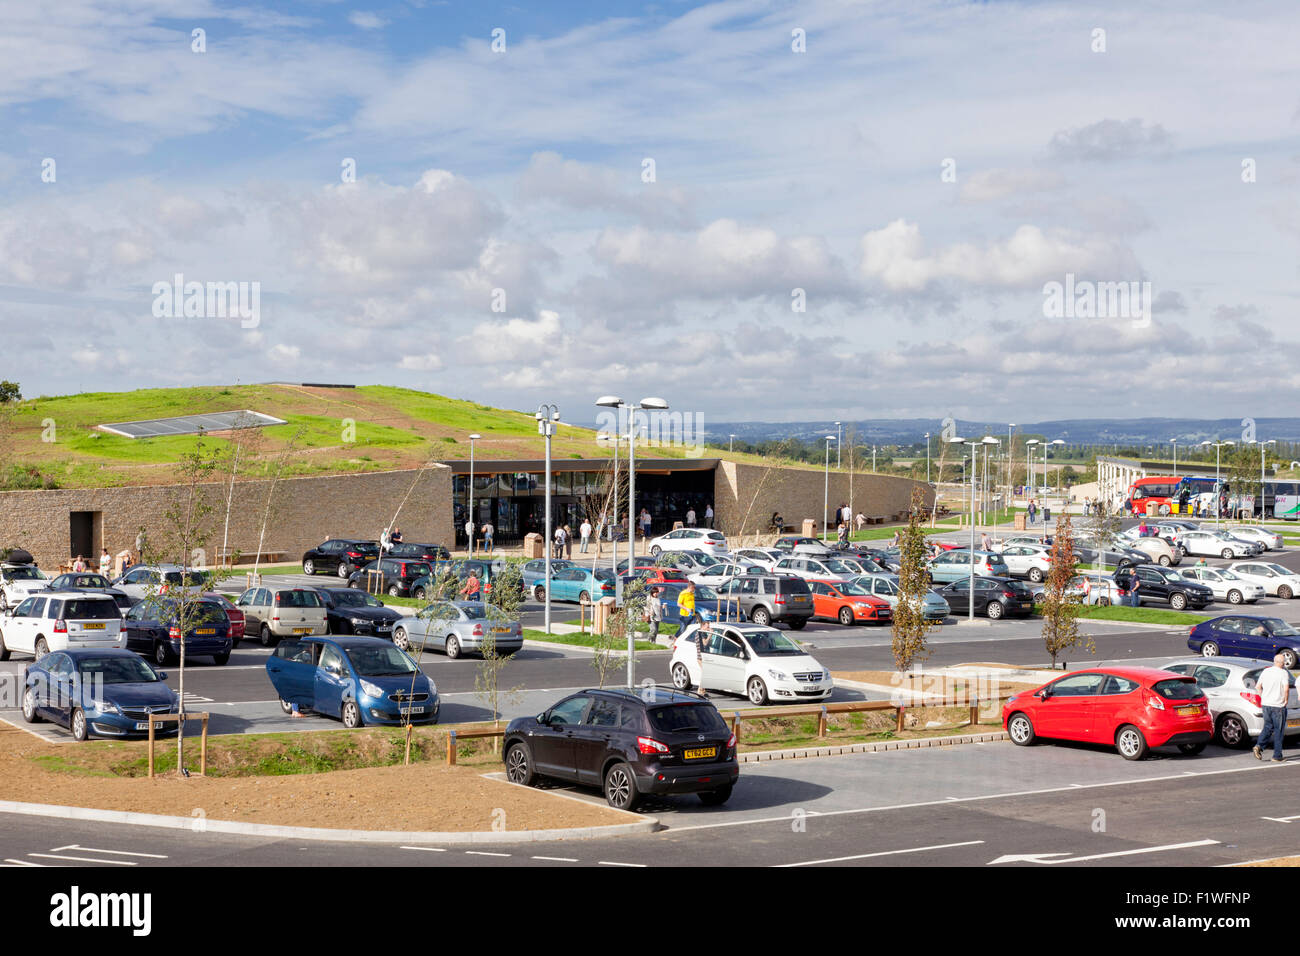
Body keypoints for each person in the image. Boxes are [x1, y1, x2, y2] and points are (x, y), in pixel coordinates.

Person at [1253, 652, 1291, 762]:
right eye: (1284, 662)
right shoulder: (1283, 673)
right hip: (1278, 705)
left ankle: (1259, 746)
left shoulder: (1266, 671)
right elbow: (1286, 689)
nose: (1285, 664)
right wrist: (1286, 700)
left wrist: (1263, 696)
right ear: (1281, 663)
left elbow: (1258, 686)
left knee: (1268, 726)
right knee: (1279, 730)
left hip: (1266, 704)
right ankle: (1277, 756)